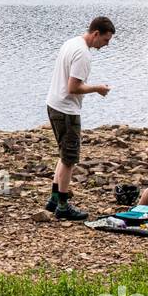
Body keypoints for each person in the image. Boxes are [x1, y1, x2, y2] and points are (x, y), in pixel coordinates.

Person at [44, 16, 115, 221]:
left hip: (54, 104)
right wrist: (97, 89)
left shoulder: (71, 42)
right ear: (95, 34)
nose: (106, 45)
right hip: (66, 110)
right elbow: (73, 87)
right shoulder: (83, 54)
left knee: (63, 153)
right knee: (69, 159)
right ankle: (64, 206)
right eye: (106, 40)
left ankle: (54, 198)